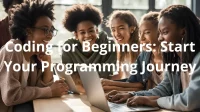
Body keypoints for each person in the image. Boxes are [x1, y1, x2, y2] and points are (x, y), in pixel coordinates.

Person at [106, 5, 200, 111]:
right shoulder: (175, 59)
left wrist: (155, 101)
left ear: (183, 32)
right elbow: (164, 89)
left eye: (164, 32)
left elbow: (190, 101)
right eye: (159, 34)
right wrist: (131, 95)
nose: (160, 38)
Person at [0, 0, 68, 112]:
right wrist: (50, 91)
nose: (50, 35)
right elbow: (11, 96)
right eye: (45, 30)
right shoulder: (12, 50)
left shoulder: (33, 56)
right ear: (28, 31)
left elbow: (40, 89)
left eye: (51, 30)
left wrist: (47, 63)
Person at [101, 11, 163, 92]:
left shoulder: (143, 50)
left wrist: (110, 84)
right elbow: (123, 76)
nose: (117, 33)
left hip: (143, 92)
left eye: (121, 28)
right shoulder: (121, 49)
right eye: (113, 30)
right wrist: (104, 82)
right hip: (141, 92)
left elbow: (140, 85)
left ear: (132, 29)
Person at [62, 4, 116, 93]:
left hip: (103, 91)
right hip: (78, 93)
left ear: (97, 31)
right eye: (82, 32)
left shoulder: (109, 45)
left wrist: (79, 77)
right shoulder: (68, 46)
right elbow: (69, 76)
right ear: (76, 35)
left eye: (91, 30)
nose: (87, 35)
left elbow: (106, 75)